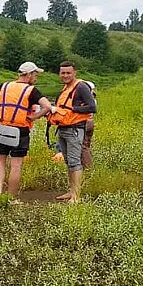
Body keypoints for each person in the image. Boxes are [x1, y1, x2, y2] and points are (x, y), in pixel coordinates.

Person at [0, 62, 52, 200]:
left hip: (0, 128)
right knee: (16, 165)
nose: (36, 78)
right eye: (35, 74)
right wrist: (34, 117)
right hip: (19, 130)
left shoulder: (4, 86)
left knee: (0, 161)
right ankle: (11, 198)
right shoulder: (31, 90)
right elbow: (47, 106)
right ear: (29, 75)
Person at [49, 61, 97, 203]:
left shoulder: (81, 87)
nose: (65, 75)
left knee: (75, 162)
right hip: (63, 129)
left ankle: (76, 196)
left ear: (74, 73)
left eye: (68, 72)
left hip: (75, 129)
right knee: (69, 162)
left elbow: (92, 107)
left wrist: (72, 110)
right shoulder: (65, 88)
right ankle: (71, 192)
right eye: (63, 72)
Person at [81, 81, 97, 169]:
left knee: (83, 147)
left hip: (85, 123)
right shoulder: (92, 98)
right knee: (87, 145)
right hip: (91, 122)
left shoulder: (85, 99)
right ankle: (87, 165)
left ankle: (88, 168)